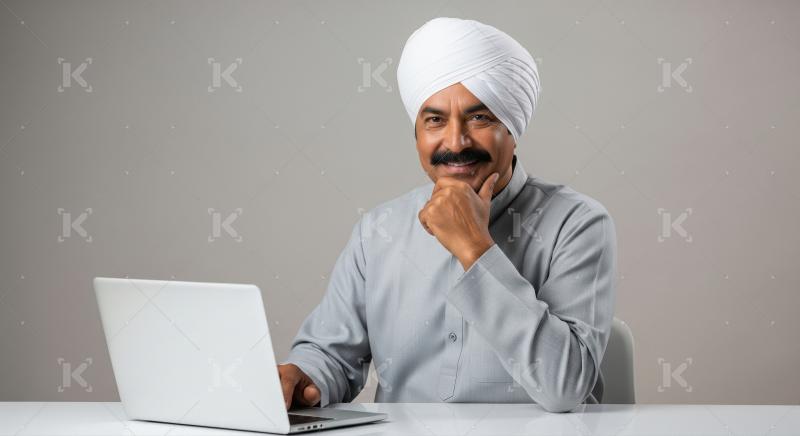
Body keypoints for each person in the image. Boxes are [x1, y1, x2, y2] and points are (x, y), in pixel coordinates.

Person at [278, 17, 617, 413]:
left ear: (512, 127)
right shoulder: (378, 231)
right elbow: (333, 356)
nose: (455, 142)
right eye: (435, 120)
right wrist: (305, 376)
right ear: (417, 134)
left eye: (480, 117)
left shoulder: (577, 224)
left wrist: (475, 248)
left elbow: (566, 388)